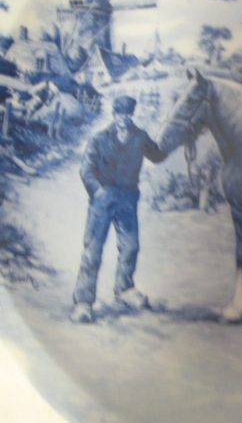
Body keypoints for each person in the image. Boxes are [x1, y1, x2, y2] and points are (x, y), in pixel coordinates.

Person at [70, 95, 167, 323]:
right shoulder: (99, 138)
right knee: (93, 250)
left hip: (128, 200)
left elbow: (157, 155)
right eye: (118, 113)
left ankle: (124, 289)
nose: (122, 118)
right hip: (103, 200)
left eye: (126, 113)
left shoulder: (140, 136)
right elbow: (86, 170)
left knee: (131, 246)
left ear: (131, 114)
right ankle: (83, 302)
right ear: (113, 114)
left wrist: (174, 136)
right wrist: (98, 190)